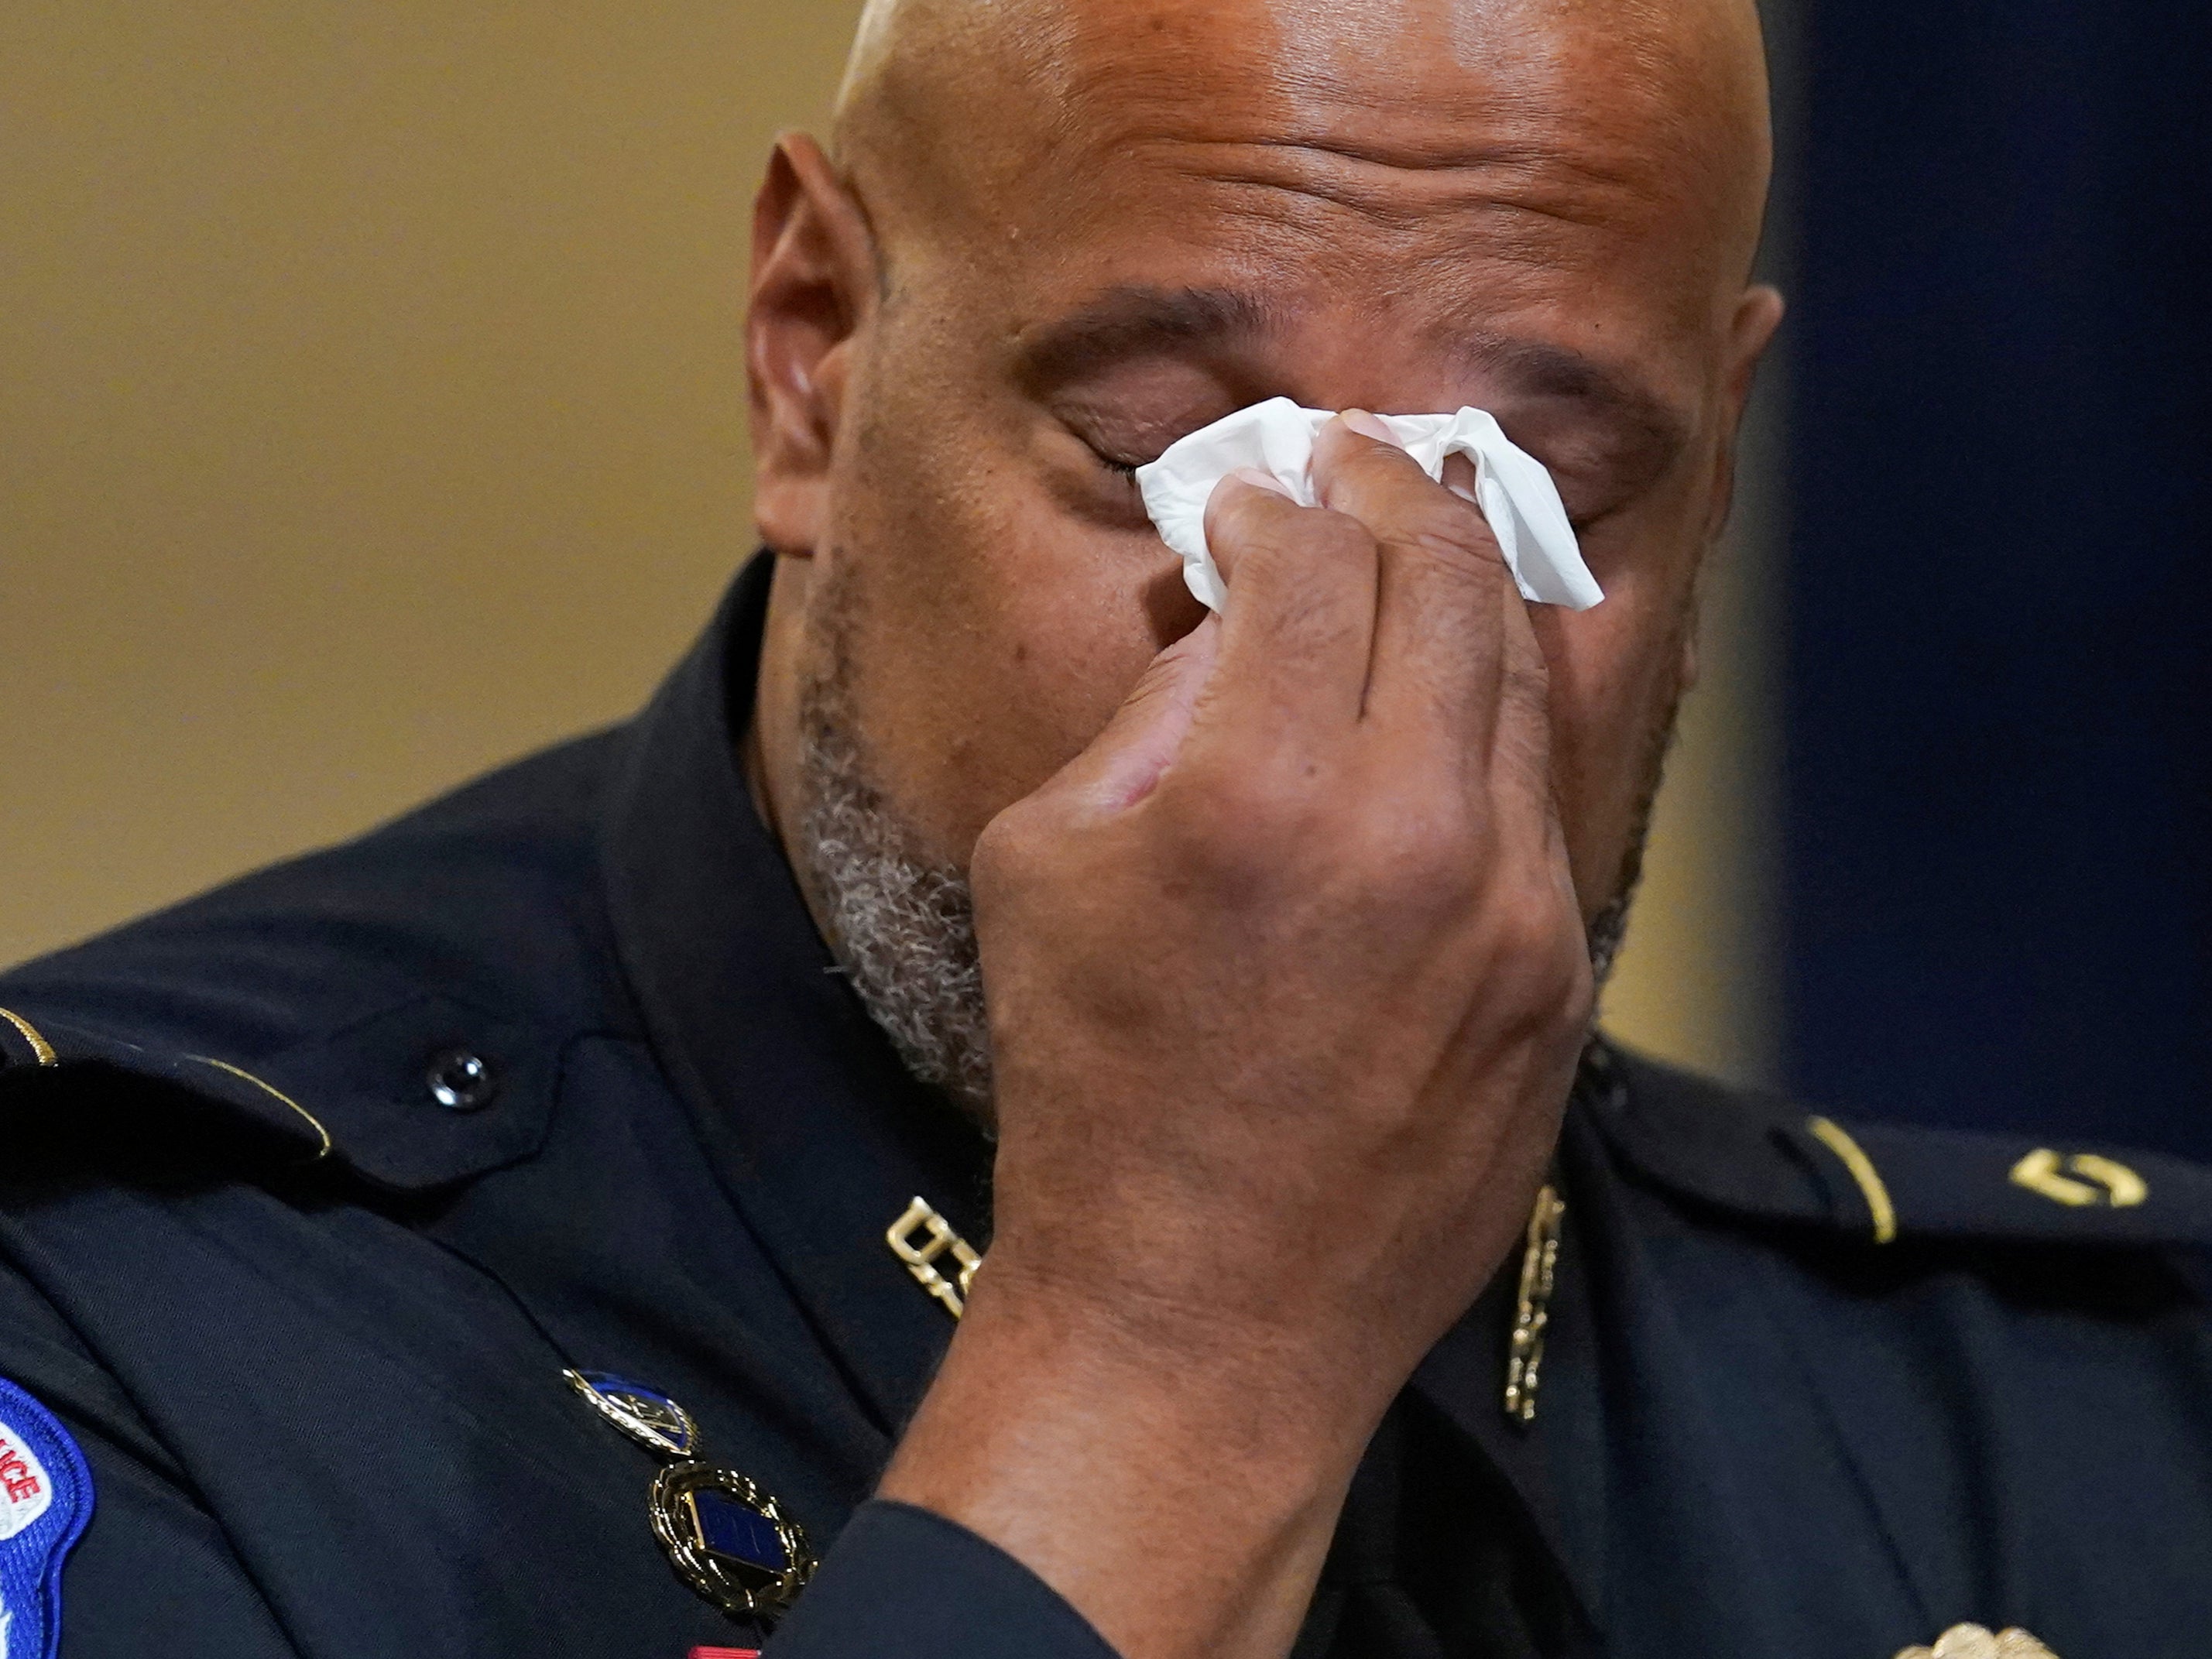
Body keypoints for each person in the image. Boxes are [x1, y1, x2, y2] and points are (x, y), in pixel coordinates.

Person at [1, 0, 2206, 1655]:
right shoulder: (123, 1318)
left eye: (1543, 491)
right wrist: (1175, 1360)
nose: (1341, 618)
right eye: (1162, 442)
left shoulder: (2088, 1399)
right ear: (809, 355)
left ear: (1714, 486)